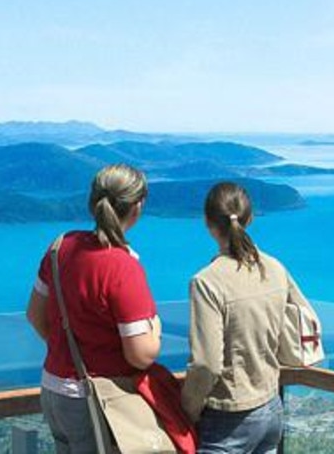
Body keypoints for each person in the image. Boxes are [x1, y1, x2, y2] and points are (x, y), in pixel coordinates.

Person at [26, 163, 163, 453]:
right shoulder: (123, 266)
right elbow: (140, 355)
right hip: (99, 399)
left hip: (53, 389)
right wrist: (156, 329)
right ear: (137, 207)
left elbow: (36, 316)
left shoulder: (60, 247)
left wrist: (71, 351)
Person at [182, 182, 315, 454]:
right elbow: (303, 319)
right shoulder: (274, 268)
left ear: (207, 222)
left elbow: (207, 364)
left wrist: (188, 408)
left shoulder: (207, 282)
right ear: (250, 218)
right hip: (271, 405)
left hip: (228, 417)